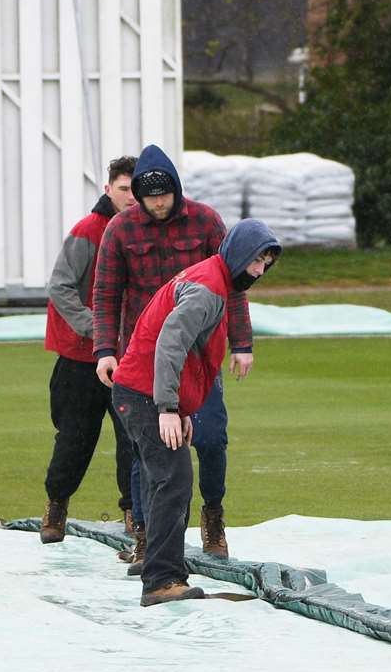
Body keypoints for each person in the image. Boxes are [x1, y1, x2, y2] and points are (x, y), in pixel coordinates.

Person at [92, 143, 253, 566]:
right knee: (146, 450)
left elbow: (235, 281)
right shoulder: (120, 230)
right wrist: (105, 349)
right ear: (139, 197)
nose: (158, 202)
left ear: (176, 191)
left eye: (165, 194)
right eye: (150, 196)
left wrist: (242, 342)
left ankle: (213, 516)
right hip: (141, 358)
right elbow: (106, 294)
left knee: (212, 437)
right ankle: (145, 534)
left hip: (199, 357)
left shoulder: (205, 222)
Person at [113, 221, 281, 606]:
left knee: (166, 480)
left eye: (265, 264)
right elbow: (170, 342)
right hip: (143, 393)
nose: (258, 271)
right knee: (173, 480)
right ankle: (161, 580)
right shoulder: (207, 289)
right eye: (256, 260)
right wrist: (167, 407)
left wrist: (182, 408)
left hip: (139, 390)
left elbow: (183, 349)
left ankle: (158, 565)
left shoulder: (212, 280)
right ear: (237, 254)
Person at [39, 155, 139, 543]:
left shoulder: (142, 233)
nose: (131, 197)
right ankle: (56, 507)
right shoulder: (87, 231)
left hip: (129, 356)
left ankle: (134, 513)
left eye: (136, 190)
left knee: (133, 439)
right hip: (82, 358)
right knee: (74, 438)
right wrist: (97, 330)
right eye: (123, 189)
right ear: (107, 189)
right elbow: (60, 287)